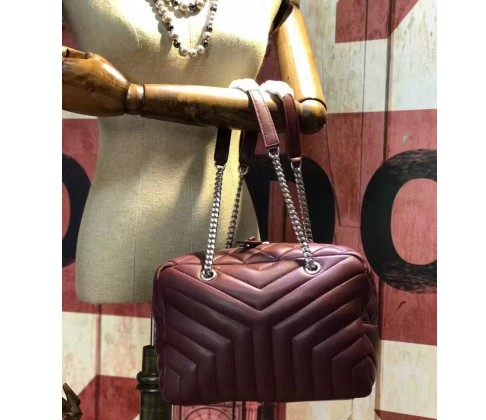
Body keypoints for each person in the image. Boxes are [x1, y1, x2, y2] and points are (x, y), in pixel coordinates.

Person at [62, 0, 326, 304]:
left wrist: (132, 97)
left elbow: (310, 114)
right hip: (126, 229)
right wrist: (244, 105)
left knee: (228, 329)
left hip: (230, 223)